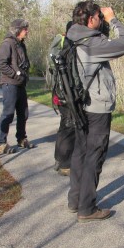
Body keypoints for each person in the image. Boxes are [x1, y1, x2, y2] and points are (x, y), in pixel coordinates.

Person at [66, 0, 124, 222]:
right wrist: (113, 19)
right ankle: (87, 208)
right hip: (96, 106)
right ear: (90, 19)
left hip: (78, 104)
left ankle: (75, 200)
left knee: (81, 152)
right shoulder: (92, 44)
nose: (101, 19)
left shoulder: (71, 37)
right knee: (95, 154)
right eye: (99, 16)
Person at [0, 19, 34, 154]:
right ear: (17, 30)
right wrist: (15, 74)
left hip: (20, 84)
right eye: (25, 29)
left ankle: (21, 138)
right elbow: (1, 64)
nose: (27, 31)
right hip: (10, 83)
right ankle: (1, 142)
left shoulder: (20, 44)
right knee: (8, 113)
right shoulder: (8, 43)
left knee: (23, 113)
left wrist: (24, 76)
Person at [50, 21, 75, 177]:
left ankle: (59, 159)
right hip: (67, 94)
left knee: (64, 127)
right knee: (69, 127)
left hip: (59, 93)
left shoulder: (61, 46)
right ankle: (65, 164)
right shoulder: (69, 47)